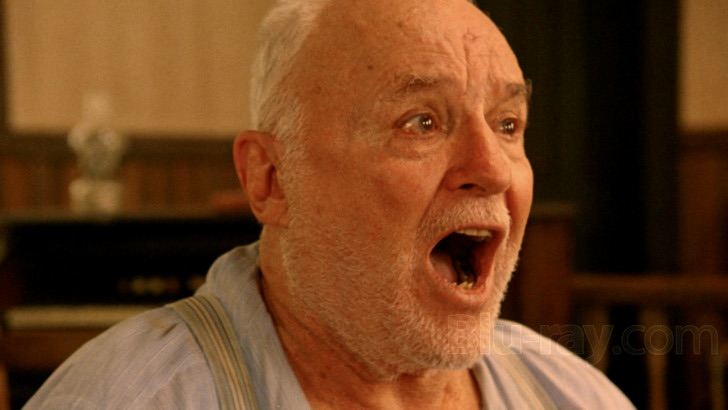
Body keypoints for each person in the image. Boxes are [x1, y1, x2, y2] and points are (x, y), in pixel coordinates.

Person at [27, 0, 634, 408]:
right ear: (271, 180)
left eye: (507, 124)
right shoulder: (128, 397)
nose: (493, 169)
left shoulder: (574, 396)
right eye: (421, 122)